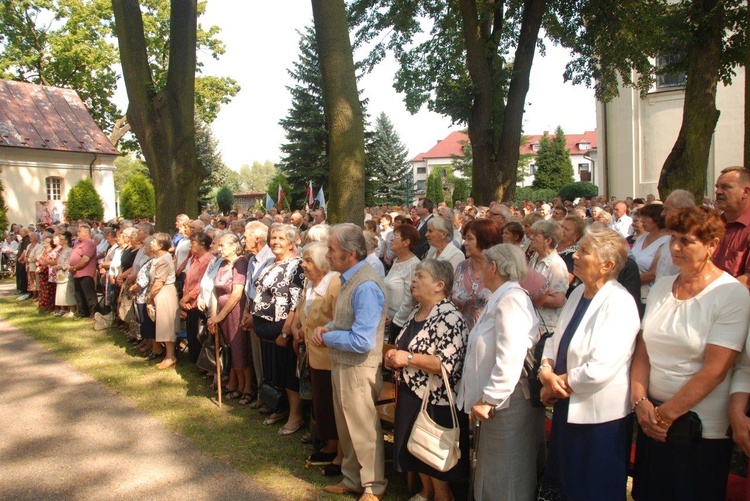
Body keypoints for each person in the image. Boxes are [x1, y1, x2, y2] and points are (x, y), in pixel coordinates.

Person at [631, 206, 750, 500]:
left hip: (699, 428)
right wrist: (640, 401)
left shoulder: (731, 294)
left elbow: (716, 369)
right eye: (673, 238)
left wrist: (665, 416)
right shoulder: (660, 286)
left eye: (686, 241)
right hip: (652, 417)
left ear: (711, 245)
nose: (675, 247)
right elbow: (643, 351)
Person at [538, 225, 640, 499]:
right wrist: (546, 370)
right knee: (565, 479)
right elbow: (555, 339)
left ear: (607, 265)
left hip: (598, 419)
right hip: (565, 405)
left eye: (584, 252)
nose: (575, 256)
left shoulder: (619, 302)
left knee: (592, 485)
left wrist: (555, 384)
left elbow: (602, 365)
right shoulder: (577, 293)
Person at [457, 243, 545, 500]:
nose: (480, 271)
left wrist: (490, 398)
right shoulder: (501, 297)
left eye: (483, 264)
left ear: (493, 267)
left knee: (507, 471)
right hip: (499, 402)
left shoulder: (512, 300)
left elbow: (511, 356)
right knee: (496, 468)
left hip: (508, 401)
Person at [312, 223, 388, 501]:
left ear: (351, 253)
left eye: (332, 250)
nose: (327, 255)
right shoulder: (348, 278)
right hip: (343, 363)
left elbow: (363, 340)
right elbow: (348, 319)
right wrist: (329, 327)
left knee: (363, 427)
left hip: (359, 367)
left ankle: (373, 486)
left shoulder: (366, 285)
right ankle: (353, 479)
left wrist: (329, 338)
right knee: (346, 425)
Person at [385, 259, 468, 501]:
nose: (413, 281)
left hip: (436, 399)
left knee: (432, 450)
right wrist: (393, 356)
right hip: (412, 393)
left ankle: (443, 496)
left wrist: (407, 358)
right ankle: (426, 491)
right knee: (417, 445)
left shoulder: (450, 317)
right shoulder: (417, 311)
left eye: (420, 276)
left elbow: (445, 364)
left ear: (439, 285)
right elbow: (406, 345)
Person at [292, 241, 343, 473]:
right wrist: (298, 329)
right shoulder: (310, 283)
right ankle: (330, 445)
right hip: (314, 354)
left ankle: (340, 454)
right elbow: (304, 309)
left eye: (308, 260)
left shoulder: (334, 284)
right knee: (322, 402)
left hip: (330, 356)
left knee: (333, 405)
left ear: (323, 265)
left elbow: (340, 319)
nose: (303, 264)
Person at [251, 224, 305, 435]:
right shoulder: (270, 262)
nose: (275, 242)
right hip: (263, 326)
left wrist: (285, 331)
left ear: (291, 243)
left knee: (287, 374)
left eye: (281, 238)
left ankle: (296, 416)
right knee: (273, 372)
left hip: (281, 327)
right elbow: (258, 291)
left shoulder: (297, 266)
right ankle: (277, 406)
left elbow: (296, 301)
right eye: (273, 237)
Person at [208, 234, 250, 399]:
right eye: (218, 246)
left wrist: (220, 316)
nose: (220, 249)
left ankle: (246, 388)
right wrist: (214, 316)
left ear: (234, 246)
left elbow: (237, 293)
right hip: (221, 312)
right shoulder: (222, 263)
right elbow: (214, 290)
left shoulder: (240, 262)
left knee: (239, 349)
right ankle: (236, 384)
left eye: (223, 245)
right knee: (229, 349)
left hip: (235, 312)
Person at [451, 219, 503, 331]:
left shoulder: (501, 270)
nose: (465, 243)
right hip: (458, 337)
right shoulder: (461, 267)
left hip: (488, 339)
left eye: (470, 239)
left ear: (485, 241)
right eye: (465, 238)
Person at [179, 232, 215, 364]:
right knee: (191, 331)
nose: (190, 246)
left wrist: (187, 298)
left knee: (199, 333)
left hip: (198, 302)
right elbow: (187, 281)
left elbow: (201, 284)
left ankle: (202, 362)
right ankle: (194, 360)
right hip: (188, 302)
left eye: (193, 243)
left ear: (202, 245)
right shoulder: (192, 259)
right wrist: (184, 299)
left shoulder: (208, 260)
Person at [712, 166, 750, 288]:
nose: (718, 192)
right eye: (717, 187)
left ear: (746, 192)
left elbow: (747, 279)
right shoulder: (712, 225)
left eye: (726, 187)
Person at [146, 233, 180, 369]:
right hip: (159, 292)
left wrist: (149, 297)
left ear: (161, 245)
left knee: (166, 324)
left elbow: (159, 283)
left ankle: (170, 356)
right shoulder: (158, 258)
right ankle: (167, 354)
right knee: (161, 323)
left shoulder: (164, 260)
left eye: (154, 241)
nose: (151, 243)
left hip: (164, 292)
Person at [383, 224, 421, 343]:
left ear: (406, 242)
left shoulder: (413, 265)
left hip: (399, 326)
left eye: (395, 236)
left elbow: (410, 300)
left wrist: (395, 320)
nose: (391, 239)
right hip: (387, 321)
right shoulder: (396, 260)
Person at [528, 220, 568, 329]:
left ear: (548, 240)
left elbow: (558, 300)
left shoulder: (556, 265)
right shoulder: (535, 258)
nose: (531, 237)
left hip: (546, 327)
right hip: (532, 322)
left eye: (535, 235)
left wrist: (527, 296)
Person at [629, 203, 670, 310]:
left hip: (647, 296)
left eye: (646, 217)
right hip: (632, 290)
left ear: (657, 219)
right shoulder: (640, 239)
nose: (642, 221)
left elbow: (653, 274)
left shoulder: (666, 242)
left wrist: (627, 280)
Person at [70, 224, 98, 318]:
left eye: (79, 231)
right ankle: (82, 313)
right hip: (76, 273)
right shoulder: (79, 243)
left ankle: (93, 313)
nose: (77, 233)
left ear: (86, 233)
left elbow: (85, 259)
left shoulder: (89, 243)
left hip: (85, 272)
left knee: (89, 295)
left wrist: (74, 267)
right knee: (79, 294)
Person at [557, 215, 585, 297]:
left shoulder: (573, 255)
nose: (561, 230)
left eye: (566, 229)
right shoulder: (552, 245)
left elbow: (563, 283)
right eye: (561, 226)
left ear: (576, 236)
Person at [54, 232, 77, 317]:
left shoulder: (69, 250)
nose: (60, 240)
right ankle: (65, 309)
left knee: (68, 291)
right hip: (60, 273)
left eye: (61, 239)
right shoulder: (62, 250)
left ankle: (72, 310)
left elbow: (68, 262)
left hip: (66, 273)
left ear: (66, 240)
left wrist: (60, 266)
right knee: (62, 292)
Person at [36, 235, 58, 312]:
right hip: (42, 272)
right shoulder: (44, 251)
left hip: (48, 272)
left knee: (49, 290)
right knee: (42, 289)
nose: (44, 243)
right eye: (44, 242)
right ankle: (43, 305)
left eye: (46, 242)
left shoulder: (51, 251)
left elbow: (47, 262)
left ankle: (49, 305)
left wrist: (41, 267)